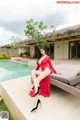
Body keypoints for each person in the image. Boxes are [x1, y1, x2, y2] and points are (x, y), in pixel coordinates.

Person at [29, 46, 58, 112]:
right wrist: (35, 70)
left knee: (37, 79)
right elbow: (38, 67)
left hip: (47, 70)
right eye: (41, 51)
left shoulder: (47, 57)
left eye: (43, 50)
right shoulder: (40, 58)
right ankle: (37, 93)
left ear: (45, 50)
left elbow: (51, 66)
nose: (42, 52)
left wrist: (55, 72)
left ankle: (36, 92)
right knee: (32, 71)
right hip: (43, 71)